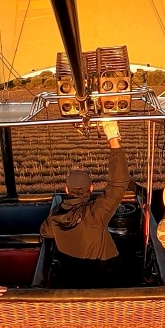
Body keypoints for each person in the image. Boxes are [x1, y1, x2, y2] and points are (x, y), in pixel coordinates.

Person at [39, 121, 130, 288]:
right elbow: (118, 183)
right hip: (106, 282)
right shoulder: (95, 213)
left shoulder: (55, 218)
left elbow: (44, 231)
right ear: (91, 188)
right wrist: (113, 139)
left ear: (66, 189)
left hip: (73, 283)